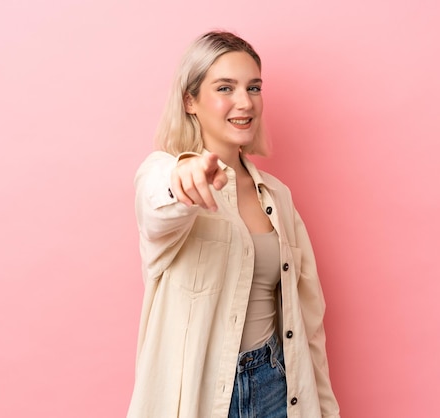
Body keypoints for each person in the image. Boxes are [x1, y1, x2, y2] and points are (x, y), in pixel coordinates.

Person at [128, 30, 340, 418]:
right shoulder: (163, 172)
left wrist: (324, 410)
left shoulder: (277, 196)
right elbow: (158, 207)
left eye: (253, 87)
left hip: (275, 385)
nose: (244, 102)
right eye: (225, 87)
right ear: (190, 100)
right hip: (201, 397)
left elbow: (307, 322)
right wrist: (184, 175)